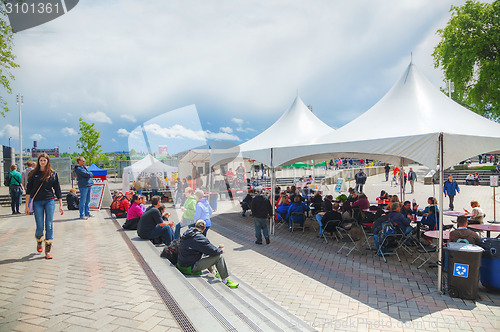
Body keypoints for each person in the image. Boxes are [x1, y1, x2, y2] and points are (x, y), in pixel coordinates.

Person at [177, 220, 239, 288]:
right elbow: (213, 251)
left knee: (206, 252)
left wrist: (214, 250)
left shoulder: (187, 233)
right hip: (189, 267)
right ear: (204, 229)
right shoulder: (200, 237)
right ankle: (225, 280)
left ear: (195, 226)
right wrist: (220, 250)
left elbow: (208, 249)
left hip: (181, 263)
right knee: (219, 257)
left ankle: (213, 272)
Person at [25, 153, 63, 259]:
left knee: (49, 225)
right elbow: (28, 191)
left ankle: (48, 251)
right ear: (38, 161)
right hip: (37, 202)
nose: (42, 162)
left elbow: (57, 189)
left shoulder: (52, 174)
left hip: (49, 201)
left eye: (44, 160)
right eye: (41, 160)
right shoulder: (33, 174)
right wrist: (26, 206)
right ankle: (39, 240)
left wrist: (60, 204)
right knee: (40, 226)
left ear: (47, 161)